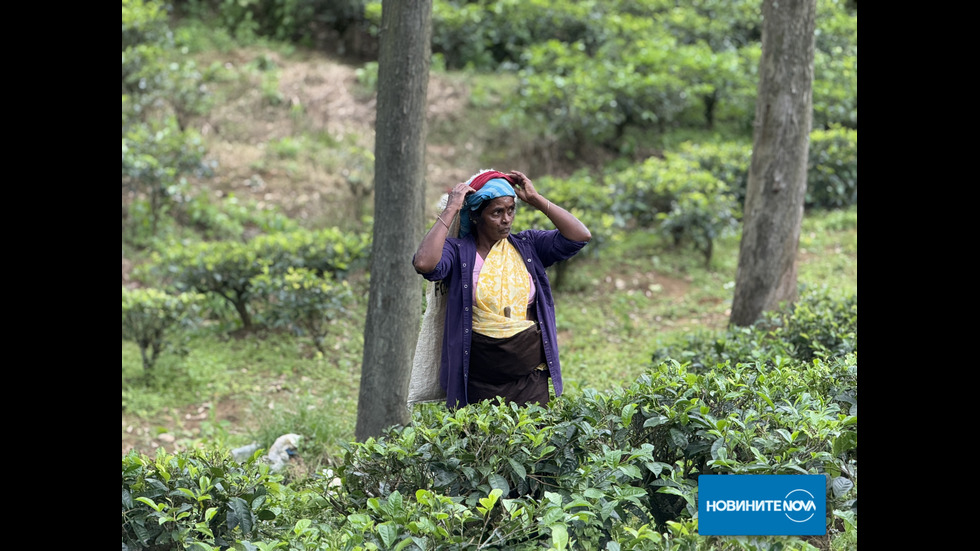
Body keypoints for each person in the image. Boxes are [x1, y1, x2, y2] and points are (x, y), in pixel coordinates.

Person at [412, 169, 591, 409]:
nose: (506, 219)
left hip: (530, 380)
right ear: (476, 216)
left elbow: (579, 236)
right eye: (497, 212)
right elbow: (424, 264)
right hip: (477, 384)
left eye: (510, 210)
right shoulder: (459, 252)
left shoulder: (527, 247)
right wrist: (452, 208)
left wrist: (536, 199)